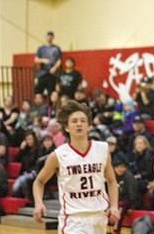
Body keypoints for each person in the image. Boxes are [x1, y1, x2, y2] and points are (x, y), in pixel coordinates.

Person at [33, 100, 119, 234]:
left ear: (89, 125)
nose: (79, 124)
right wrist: (39, 203)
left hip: (99, 218)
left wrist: (114, 206)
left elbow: (112, 181)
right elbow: (39, 181)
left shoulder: (103, 149)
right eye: (74, 121)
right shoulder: (58, 155)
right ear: (66, 127)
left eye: (83, 120)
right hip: (73, 221)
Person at [34, 31, 62, 95]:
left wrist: (55, 68)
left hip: (53, 73)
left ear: (53, 38)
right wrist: (43, 60)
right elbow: (36, 60)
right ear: (45, 37)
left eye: (51, 37)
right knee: (38, 91)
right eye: (48, 37)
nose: (49, 39)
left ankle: (50, 104)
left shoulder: (56, 48)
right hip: (42, 73)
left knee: (51, 91)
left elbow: (59, 60)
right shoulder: (41, 48)